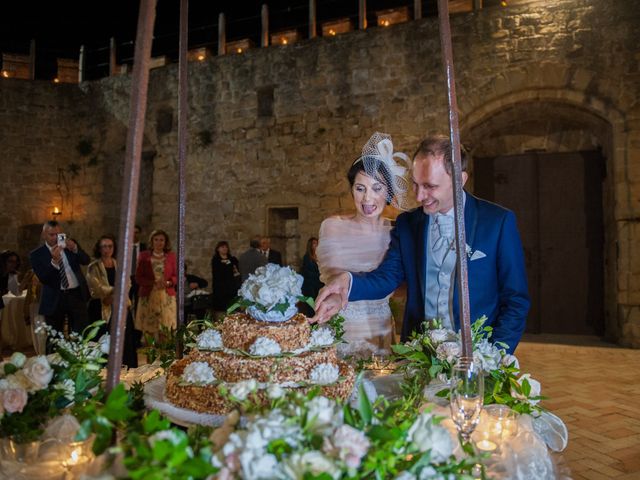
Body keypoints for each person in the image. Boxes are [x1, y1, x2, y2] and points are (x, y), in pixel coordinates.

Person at [314, 135, 530, 354]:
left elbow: (515, 300)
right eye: (416, 185)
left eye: (429, 186)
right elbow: (387, 277)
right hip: (419, 356)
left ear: (459, 180)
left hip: (477, 357)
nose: (419, 196)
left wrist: (495, 354)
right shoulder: (409, 224)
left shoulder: (497, 222)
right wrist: (347, 282)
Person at [316, 132, 411, 357]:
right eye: (361, 188)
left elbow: (400, 282)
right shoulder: (332, 226)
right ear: (352, 190)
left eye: (377, 188)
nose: (368, 199)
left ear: (388, 192)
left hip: (380, 329)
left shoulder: (396, 231)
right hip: (341, 323)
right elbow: (333, 276)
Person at [29, 220, 91, 342]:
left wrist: (75, 249)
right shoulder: (36, 254)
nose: (55, 238)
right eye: (51, 235)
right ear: (43, 235)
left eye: (58, 234)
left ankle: (80, 359)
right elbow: (44, 278)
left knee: (82, 334)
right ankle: (54, 361)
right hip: (54, 298)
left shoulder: (68, 246)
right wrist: (54, 262)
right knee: (55, 338)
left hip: (76, 295)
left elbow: (86, 260)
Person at [86, 235, 138, 367]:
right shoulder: (94, 266)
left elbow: (127, 283)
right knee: (104, 340)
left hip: (120, 304)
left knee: (125, 339)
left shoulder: (119, 264)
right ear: (99, 248)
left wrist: (117, 294)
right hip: (102, 306)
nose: (107, 249)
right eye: (104, 246)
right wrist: (114, 291)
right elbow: (95, 286)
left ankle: (127, 368)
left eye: (110, 246)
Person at [134, 229, 177, 341]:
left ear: (165, 242)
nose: (159, 242)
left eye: (161, 240)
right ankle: (150, 357)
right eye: (156, 240)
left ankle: (164, 356)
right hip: (148, 296)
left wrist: (169, 282)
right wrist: (153, 283)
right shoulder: (143, 256)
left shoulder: (171, 256)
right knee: (149, 330)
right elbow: (138, 277)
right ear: (152, 241)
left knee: (165, 330)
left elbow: (177, 276)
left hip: (166, 297)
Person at [211, 241, 241, 315]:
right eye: (222, 247)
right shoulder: (216, 260)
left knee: (233, 308)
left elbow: (237, 271)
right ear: (218, 249)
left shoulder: (233, 259)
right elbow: (219, 272)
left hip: (231, 287)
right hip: (220, 288)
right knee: (221, 310)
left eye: (226, 247)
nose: (225, 248)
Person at [299, 237, 323, 317]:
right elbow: (309, 273)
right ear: (310, 246)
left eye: (317, 243)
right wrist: (321, 276)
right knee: (312, 309)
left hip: (320, 286)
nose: (316, 245)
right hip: (311, 287)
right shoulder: (307, 258)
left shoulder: (320, 257)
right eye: (314, 243)